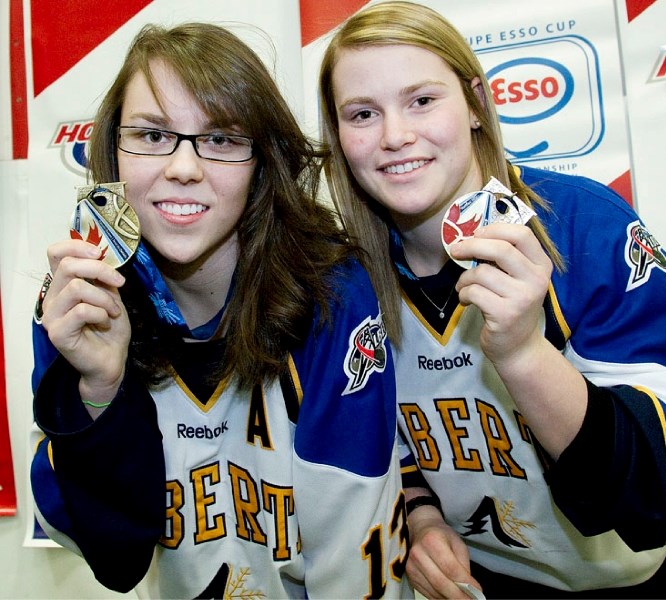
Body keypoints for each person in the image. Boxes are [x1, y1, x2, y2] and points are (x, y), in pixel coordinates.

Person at [318, 2, 666, 598]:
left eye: (422, 100)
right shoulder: (349, 280)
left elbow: (659, 500)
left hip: (636, 582)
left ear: (475, 102)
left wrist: (526, 353)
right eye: (363, 113)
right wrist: (422, 518)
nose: (395, 135)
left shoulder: (584, 227)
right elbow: (382, 439)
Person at [30, 22, 410, 599]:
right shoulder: (76, 300)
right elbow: (116, 561)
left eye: (222, 139)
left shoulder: (332, 293)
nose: (183, 167)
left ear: (263, 160)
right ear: (112, 152)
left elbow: (355, 548)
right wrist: (100, 388)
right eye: (153, 136)